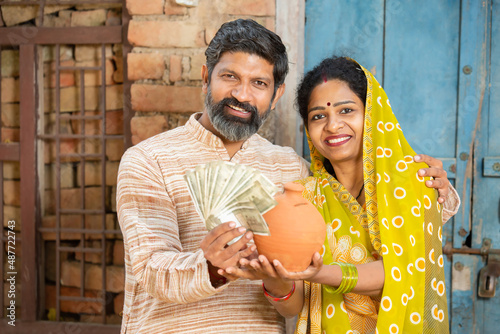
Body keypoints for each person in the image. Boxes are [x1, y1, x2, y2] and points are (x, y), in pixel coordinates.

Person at [117, 19, 458, 333]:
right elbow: (149, 270)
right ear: (206, 76)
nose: (242, 94)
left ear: (276, 94)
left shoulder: (291, 170)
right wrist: (211, 266)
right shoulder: (148, 161)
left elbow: (364, 221)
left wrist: (435, 190)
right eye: (230, 77)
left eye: (259, 83)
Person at [221, 56, 457, 333]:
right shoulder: (306, 197)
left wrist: (320, 273)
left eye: (346, 111)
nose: (332, 125)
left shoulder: (415, 179)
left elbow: (399, 271)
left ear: (372, 115)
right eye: (318, 116)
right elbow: (293, 306)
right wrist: (274, 278)